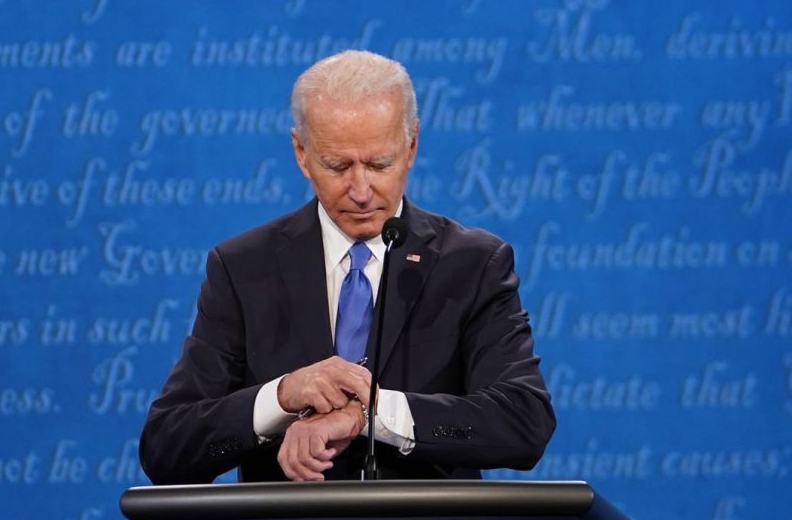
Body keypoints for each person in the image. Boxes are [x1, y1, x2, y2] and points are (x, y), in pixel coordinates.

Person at [140, 50, 555, 483]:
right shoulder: (244, 268)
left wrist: (372, 414)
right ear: (301, 152)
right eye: (337, 165)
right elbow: (167, 447)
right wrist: (280, 398)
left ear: (411, 145)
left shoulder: (471, 265)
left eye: (379, 164)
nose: (360, 190)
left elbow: (524, 421)